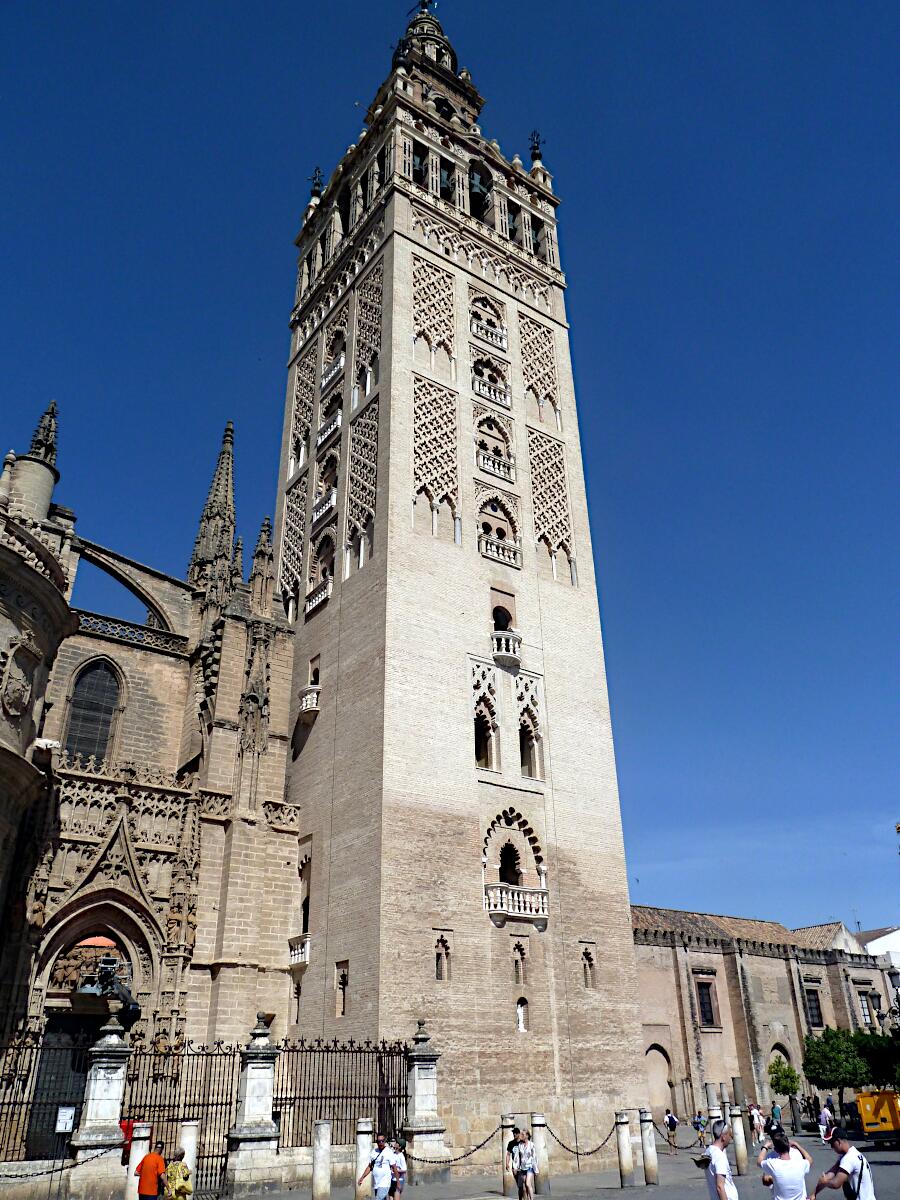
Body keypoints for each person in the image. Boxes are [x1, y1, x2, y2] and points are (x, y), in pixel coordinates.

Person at [814, 1128, 876, 1200]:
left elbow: (836, 1184)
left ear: (838, 1141)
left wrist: (825, 1182)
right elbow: (831, 1173)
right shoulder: (851, 1153)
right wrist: (814, 1193)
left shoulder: (849, 1158)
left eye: (832, 1143)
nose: (832, 1147)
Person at [758, 1131, 812, 1200]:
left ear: (775, 1150)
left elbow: (759, 1161)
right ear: (789, 1146)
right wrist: (797, 1145)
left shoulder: (773, 1164)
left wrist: (765, 1147)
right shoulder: (800, 1163)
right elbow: (810, 1160)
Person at [357, 1132, 398, 1200]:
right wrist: (362, 1177)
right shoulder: (374, 1152)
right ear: (376, 1142)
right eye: (379, 1141)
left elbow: (394, 1167)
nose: (380, 1143)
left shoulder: (388, 1152)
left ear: (385, 1141)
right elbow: (370, 1167)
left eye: (382, 1141)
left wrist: (398, 1182)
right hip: (377, 1183)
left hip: (385, 1183)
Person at [705, 1119, 738, 1200]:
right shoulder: (720, 1157)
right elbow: (720, 1187)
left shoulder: (708, 1151)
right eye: (730, 1135)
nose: (731, 1138)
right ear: (723, 1137)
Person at [512, 1130, 538, 1200]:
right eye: (521, 1134)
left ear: (527, 1136)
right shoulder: (520, 1145)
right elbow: (516, 1157)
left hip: (530, 1166)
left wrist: (536, 1170)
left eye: (523, 1134)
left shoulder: (531, 1145)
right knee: (525, 1187)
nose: (521, 1136)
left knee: (527, 1184)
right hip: (523, 1168)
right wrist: (515, 1167)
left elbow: (534, 1157)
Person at [505, 1128, 524, 1200]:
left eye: (515, 1133)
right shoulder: (511, 1143)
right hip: (515, 1167)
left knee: (523, 1185)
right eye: (513, 1133)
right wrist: (507, 1163)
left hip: (523, 1166)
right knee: (520, 1186)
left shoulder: (522, 1142)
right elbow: (508, 1154)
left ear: (519, 1134)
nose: (514, 1134)